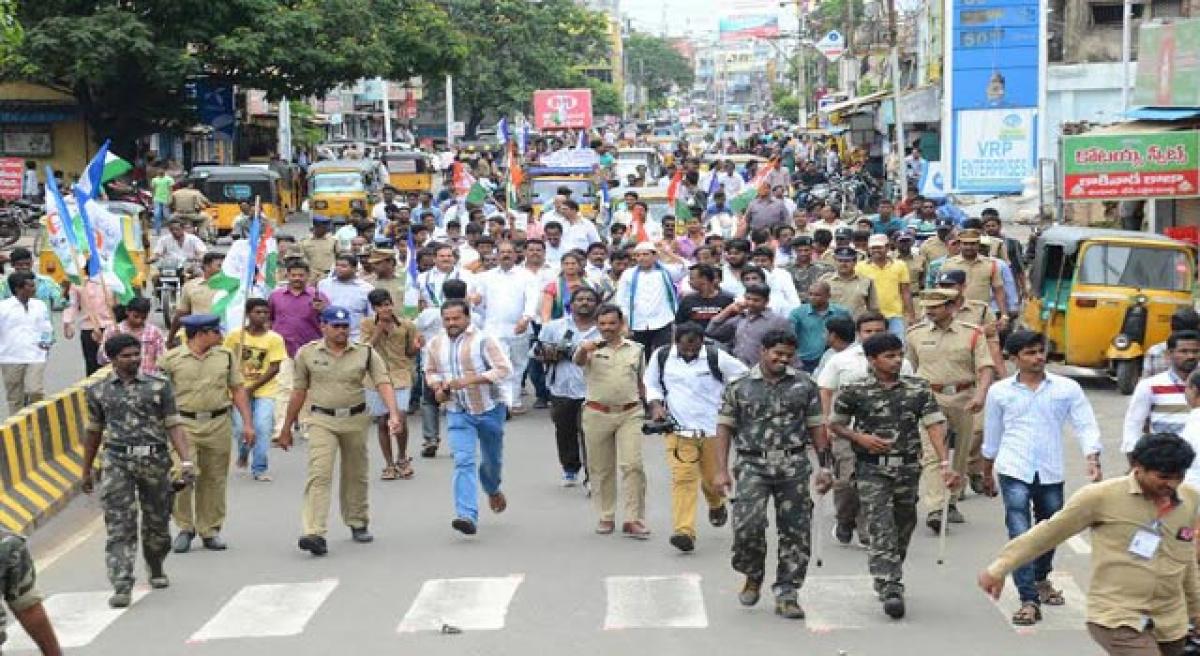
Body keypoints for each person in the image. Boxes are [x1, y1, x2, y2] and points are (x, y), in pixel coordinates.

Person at [979, 433, 1200, 656]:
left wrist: (1196, 612)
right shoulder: (1101, 497)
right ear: (1137, 466)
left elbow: (1187, 560)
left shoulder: (1189, 500)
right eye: (1163, 477)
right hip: (1117, 616)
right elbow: (1048, 534)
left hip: (1170, 622)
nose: (1171, 485)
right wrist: (999, 568)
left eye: (1178, 476)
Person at [980, 330, 1103, 626]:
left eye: (1040, 351)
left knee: (1051, 531)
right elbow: (992, 434)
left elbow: (1085, 423)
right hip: (1013, 470)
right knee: (1020, 534)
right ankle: (1028, 600)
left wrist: (1092, 456)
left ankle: (1040, 578)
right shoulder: (1000, 392)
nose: (1038, 358)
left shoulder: (1066, 388)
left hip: (1050, 471)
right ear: (1013, 358)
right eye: (1030, 353)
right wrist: (986, 471)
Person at [828, 332, 953, 618]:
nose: (897, 361)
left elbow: (934, 424)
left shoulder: (917, 388)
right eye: (890, 356)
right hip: (871, 468)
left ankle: (892, 566)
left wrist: (945, 463)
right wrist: (859, 438)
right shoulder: (854, 389)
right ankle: (890, 585)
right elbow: (836, 424)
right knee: (880, 524)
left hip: (907, 466)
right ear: (872, 360)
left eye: (899, 355)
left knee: (904, 522)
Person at [712, 329, 830, 620]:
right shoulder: (739, 387)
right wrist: (720, 470)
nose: (783, 359)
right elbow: (724, 427)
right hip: (753, 465)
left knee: (795, 530)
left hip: (793, 465)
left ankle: (787, 592)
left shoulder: (804, 385)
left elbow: (817, 427)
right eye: (777, 353)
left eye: (789, 355)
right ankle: (753, 574)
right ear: (763, 351)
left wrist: (825, 467)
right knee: (747, 526)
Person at [82, 333, 194, 608]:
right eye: (126, 356)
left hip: (155, 461)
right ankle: (121, 582)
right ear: (112, 359)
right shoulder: (98, 391)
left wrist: (186, 461)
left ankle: (155, 565)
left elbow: (173, 424)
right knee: (120, 524)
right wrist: (86, 469)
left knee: (157, 522)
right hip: (117, 462)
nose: (133, 360)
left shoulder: (159, 386)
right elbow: (94, 431)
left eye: (136, 354)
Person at [278, 306, 400, 556]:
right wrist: (286, 427)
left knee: (355, 473)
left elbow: (383, 382)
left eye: (345, 326)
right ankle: (315, 532)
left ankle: (357, 521)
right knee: (319, 474)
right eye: (335, 326)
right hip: (322, 419)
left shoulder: (364, 353)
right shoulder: (307, 353)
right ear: (323, 326)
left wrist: (394, 413)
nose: (341, 331)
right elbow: (299, 391)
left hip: (355, 419)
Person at [645, 322, 748, 553]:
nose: (689, 352)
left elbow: (743, 376)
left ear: (702, 342)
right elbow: (651, 383)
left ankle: (716, 504)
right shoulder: (662, 357)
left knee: (712, 480)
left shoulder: (715, 356)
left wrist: (732, 402)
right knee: (683, 480)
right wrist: (656, 406)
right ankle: (684, 531)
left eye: (694, 348)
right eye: (684, 348)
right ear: (676, 342)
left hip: (713, 431)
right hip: (679, 431)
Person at [817, 312, 915, 546]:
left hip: (886, 433)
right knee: (848, 482)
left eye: (878, 330)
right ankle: (844, 519)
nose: (873, 335)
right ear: (859, 333)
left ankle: (867, 529)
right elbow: (826, 390)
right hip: (846, 431)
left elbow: (910, 393)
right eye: (868, 331)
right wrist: (825, 424)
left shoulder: (901, 362)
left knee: (872, 484)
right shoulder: (841, 360)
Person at [160, 314, 253, 553]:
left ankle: (210, 529)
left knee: (214, 478)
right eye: (215, 331)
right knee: (182, 476)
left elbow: (238, 389)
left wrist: (247, 424)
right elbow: (159, 396)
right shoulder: (171, 360)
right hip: (184, 425)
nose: (220, 335)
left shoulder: (226, 357)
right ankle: (185, 527)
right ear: (200, 334)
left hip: (218, 422)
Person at [906, 288, 996, 533]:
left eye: (935, 306)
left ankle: (952, 500)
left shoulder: (973, 334)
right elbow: (910, 367)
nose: (930, 311)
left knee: (961, 452)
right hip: (929, 397)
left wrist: (980, 394)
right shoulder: (915, 335)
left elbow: (986, 368)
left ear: (951, 306)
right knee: (933, 452)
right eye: (927, 307)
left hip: (964, 397)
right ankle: (936, 507)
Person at [424, 300, 513, 536]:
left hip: (489, 409)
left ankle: (493, 488)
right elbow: (430, 371)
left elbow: (504, 370)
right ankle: (466, 515)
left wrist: (471, 379)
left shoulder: (484, 340)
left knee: (491, 460)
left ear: (468, 318)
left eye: (456, 318)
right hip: (457, 411)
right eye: (447, 319)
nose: (452, 323)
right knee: (463, 460)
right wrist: (437, 386)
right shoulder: (435, 343)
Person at [574, 304, 649, 538]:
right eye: (602, 324)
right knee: (601, 469)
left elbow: (643, 381)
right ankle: (606, 516)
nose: (607, 329)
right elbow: (577, 361)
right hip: (597, 413)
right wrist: (583, 350)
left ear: (621, 324)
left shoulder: (636, 349)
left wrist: (654, 406)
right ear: (597, 325)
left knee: (633, 466)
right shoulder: (589, 348)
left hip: (630, 412)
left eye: (612, 324)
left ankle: (633, 518)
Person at [537, 287, 600, 486]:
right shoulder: (554, 327)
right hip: (561, 387)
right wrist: (554, 352)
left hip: (594, 388)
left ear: (596, 304)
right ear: (571, 304)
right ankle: (570, 468)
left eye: (589, 299)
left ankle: (593, 475)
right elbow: (537, 352)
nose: (584, 303)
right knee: (564, 431)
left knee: (591, 433)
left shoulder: (604, 328)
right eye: (580, 299)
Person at [223, 299, 286, 482]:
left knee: (262, 426)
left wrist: (252, 387)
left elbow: (274, 367)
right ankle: (243, 452)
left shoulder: (274, 338)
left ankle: (259, 467)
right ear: (248, 314)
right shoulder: (235, 337)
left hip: (264, 389)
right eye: (257, 312)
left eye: (265, 313)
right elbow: (226, 360)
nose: (262, 316)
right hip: (238, 389)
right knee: (241, 428)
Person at [473, 240, 538, 414]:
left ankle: (514, 401)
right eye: (502, 252)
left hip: (519, 327)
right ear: (497, 255)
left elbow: (532, 299)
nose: (506, 255)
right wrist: (476, 301)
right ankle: (504, 403)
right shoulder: (486, 277)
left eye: (509, 252)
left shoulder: (527, 276)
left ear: (516, 255)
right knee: (501, 365)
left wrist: (526, 318)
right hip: (494, 328)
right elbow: (478, 302)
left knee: (518, 365)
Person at [361, 289, 420, 480]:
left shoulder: (406, 325)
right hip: (375, 378)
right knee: (382, 421)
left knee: (400, 417)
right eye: (380, 306)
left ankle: (402, 457)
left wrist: (417, 347)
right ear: (374, 308)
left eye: (387, 304)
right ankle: (389, 464)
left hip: (400, 375)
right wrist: (379, 330)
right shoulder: (367, 324)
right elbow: (364, 350)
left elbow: (410, 352)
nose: (385, 309)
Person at [267, 260, 328, 440]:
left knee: (309, 390)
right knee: (283, 388)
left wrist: (322, 309)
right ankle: (281, 428)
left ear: (307, 276)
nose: (297, 279)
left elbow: (330, 321)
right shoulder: (276, 296)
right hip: (283, 349)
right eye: (293, 275)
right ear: (287, 275)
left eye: (301, 275)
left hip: (311, 349)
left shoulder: (318, 296)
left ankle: (307, 425)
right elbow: (270, 319)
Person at [1122, 331, 1200, 457]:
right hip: (1164, 461)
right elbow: (1134, 423)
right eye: (1184, 351)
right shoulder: (1150, 385)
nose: (1191, 356)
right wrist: (1133, 457)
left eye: (1195, 351)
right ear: (1169, 354)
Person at [616, 242, 686, 360]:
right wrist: (625, 322)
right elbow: (621, 299)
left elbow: (685, 269)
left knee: (664, 355)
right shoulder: (628, 274)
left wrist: (668, 253)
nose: (641, 258)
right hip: (637, 322)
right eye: (638, 255)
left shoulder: (665, 272)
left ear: (654, 256)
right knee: (640, 357)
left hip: (663, 320)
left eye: (645, 254)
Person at [0, 273, 52, 417]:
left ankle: (38, 419)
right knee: (15, 397)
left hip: (36, 355)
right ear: (18, 289)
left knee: (34, 390)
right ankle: (18, 429)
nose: (34, 288)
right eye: (30, 285)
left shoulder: (39, 305)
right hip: (10, 357)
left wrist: (47, 342)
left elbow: (46, 327)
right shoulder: (3, 307)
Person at [706, 283, 794, 367]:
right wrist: (729, 309)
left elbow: (790, 347)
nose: (751, 303)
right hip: (739, 370)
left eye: (756, 300)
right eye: (748, 299)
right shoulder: (740, 318)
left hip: (764, 370)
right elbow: (710, 332)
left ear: (766, 301)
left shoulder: (778, 321)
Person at [940, 229, 1011, 329]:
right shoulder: (948, 264)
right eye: (965, 244)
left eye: (973, 244)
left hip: (981, 315)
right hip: (956, 314)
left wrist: (1004, 314)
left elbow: (998, 290)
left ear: (978, 244)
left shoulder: (990, 264)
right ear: (960, 244)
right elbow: (941, 291)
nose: (969, 247)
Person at [856, 234, 914, 338]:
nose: (876, 250)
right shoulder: (860, 267)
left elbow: (905, 292)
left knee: (898, 345)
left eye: (879, 247)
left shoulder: (900, 265)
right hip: (871, 317)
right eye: (873, 248)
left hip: (895, 315)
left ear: (887, 247)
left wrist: (911, 315)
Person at [788, 281, 850, 372]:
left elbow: (849, 336)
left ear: (828, 296)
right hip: (806, 361)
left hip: (835, 358)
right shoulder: (798, 313)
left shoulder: (841, 312)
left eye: (817, 295)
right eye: (810, 294)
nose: (812, 298)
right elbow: (790, 337)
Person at [62, 273, 116, 376]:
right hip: (89, 328)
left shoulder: (113, 281)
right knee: (92, 365)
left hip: (110, 328)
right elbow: (73, 305)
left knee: (112, 363)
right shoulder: (78, 284)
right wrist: (68, 323)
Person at [97, 297, 166, 375]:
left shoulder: (155, 332)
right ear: (127, 312)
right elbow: (102, 357)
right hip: (121, 378)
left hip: (149, 377)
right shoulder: (112, 331)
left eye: (143, 318)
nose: (139, 320)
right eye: (135, 316)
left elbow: (162, 357)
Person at [317, 255, 374, 340]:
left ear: (355, 269)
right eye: (337, 265)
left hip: (354, 338)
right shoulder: (323, 285)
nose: (339, 269)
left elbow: (371, 316)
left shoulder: (367, 289)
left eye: (343, 266)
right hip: (328, 338)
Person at [170, 252, 224, 341]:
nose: (223, 269)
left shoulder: (231, 287)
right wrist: (170, 338)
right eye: (219, 266)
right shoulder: (190, 286)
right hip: (195, 335)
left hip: (222, 335)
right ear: (207, 267)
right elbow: (181, 314)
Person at [0, 247, 66, 309]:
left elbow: (60, 303)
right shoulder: (4, 285)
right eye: (20, 265)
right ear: (12, 264)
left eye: (27, 264)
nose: (24, 267)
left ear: (32, 262)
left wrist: (66, 290)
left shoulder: (47, 282)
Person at [675, 263, 735, 330]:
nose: (689, 282)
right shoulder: (687, 300)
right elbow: (679, 325)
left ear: (704, 279)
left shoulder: (727, 299)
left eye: (692, 278)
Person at [821, 247, 877, 319]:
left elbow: (873, 308)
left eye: (847, 261)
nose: (843, 264)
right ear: (835, 261)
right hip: (831, 325)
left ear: (855, 262)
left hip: (856, 326)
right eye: (840, 261)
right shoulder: (825, 280)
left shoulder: (866, 281)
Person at [1143, 308, 1200, 378]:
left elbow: (1146, 381)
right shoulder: (1154, 352)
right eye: (1183, 351)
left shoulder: (1154, 351)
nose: (1191, 356)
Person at [783, 236, 834, 305]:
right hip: (793, 305)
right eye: (799, 250)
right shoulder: (785, 269)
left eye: (806, 250)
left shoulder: (825, 268)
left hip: (818, 306)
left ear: (812, 250)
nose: (803, 253)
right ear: (795, 250)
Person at [300, 216, 339, 285]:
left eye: (326, 228)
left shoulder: (333, 241)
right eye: (323, 228)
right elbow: (302, 259)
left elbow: (338, 257)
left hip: (329, 276)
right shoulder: (304, 241)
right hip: (311, 276)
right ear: (316, 227)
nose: (326, 230)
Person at [151, 167, 175, 232]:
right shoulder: (154, 180)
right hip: (157, 199)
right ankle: (158, 230)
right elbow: (153, 190)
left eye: (162, 169)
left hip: (166, 199)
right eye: (159, 169)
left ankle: (172, 229)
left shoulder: (169, 179)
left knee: (167, 215)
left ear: (164, 170)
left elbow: (171, 190)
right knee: (156, 215)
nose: (160, 170)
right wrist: (152, 199)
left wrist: (170, 198)